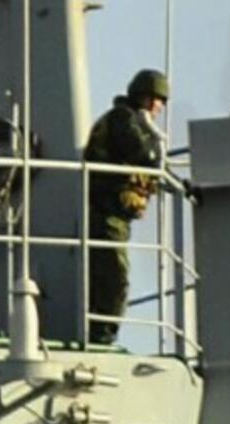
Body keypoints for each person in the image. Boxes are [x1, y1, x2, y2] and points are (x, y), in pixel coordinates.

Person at [83, 69, 168, 344]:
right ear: (144, 98)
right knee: (115, 277)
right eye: (157, 99)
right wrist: (155, 144)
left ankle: (101, 331)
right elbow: (141, 154)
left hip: (115, 217)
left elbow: (152, 167)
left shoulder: (131, 123)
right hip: (105, 213)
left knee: (107, 275)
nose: (160, 107)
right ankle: (102, 336)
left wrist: (182, 184)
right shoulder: (122, 119)